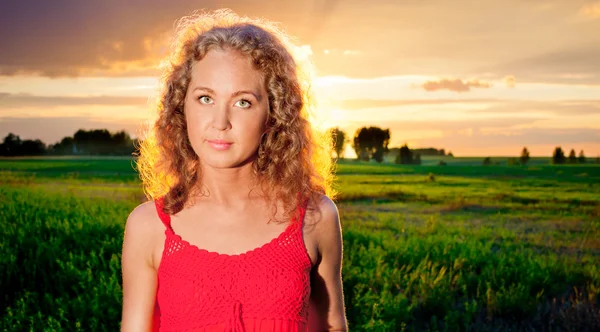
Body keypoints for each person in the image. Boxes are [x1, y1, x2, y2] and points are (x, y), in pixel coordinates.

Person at [121, 9, 348, 332]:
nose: (220, 122)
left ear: (275, 112)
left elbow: (331, 325)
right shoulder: (149, 227)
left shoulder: (315, 218)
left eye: (243, 102)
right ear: (180, 106)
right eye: (204, 98)